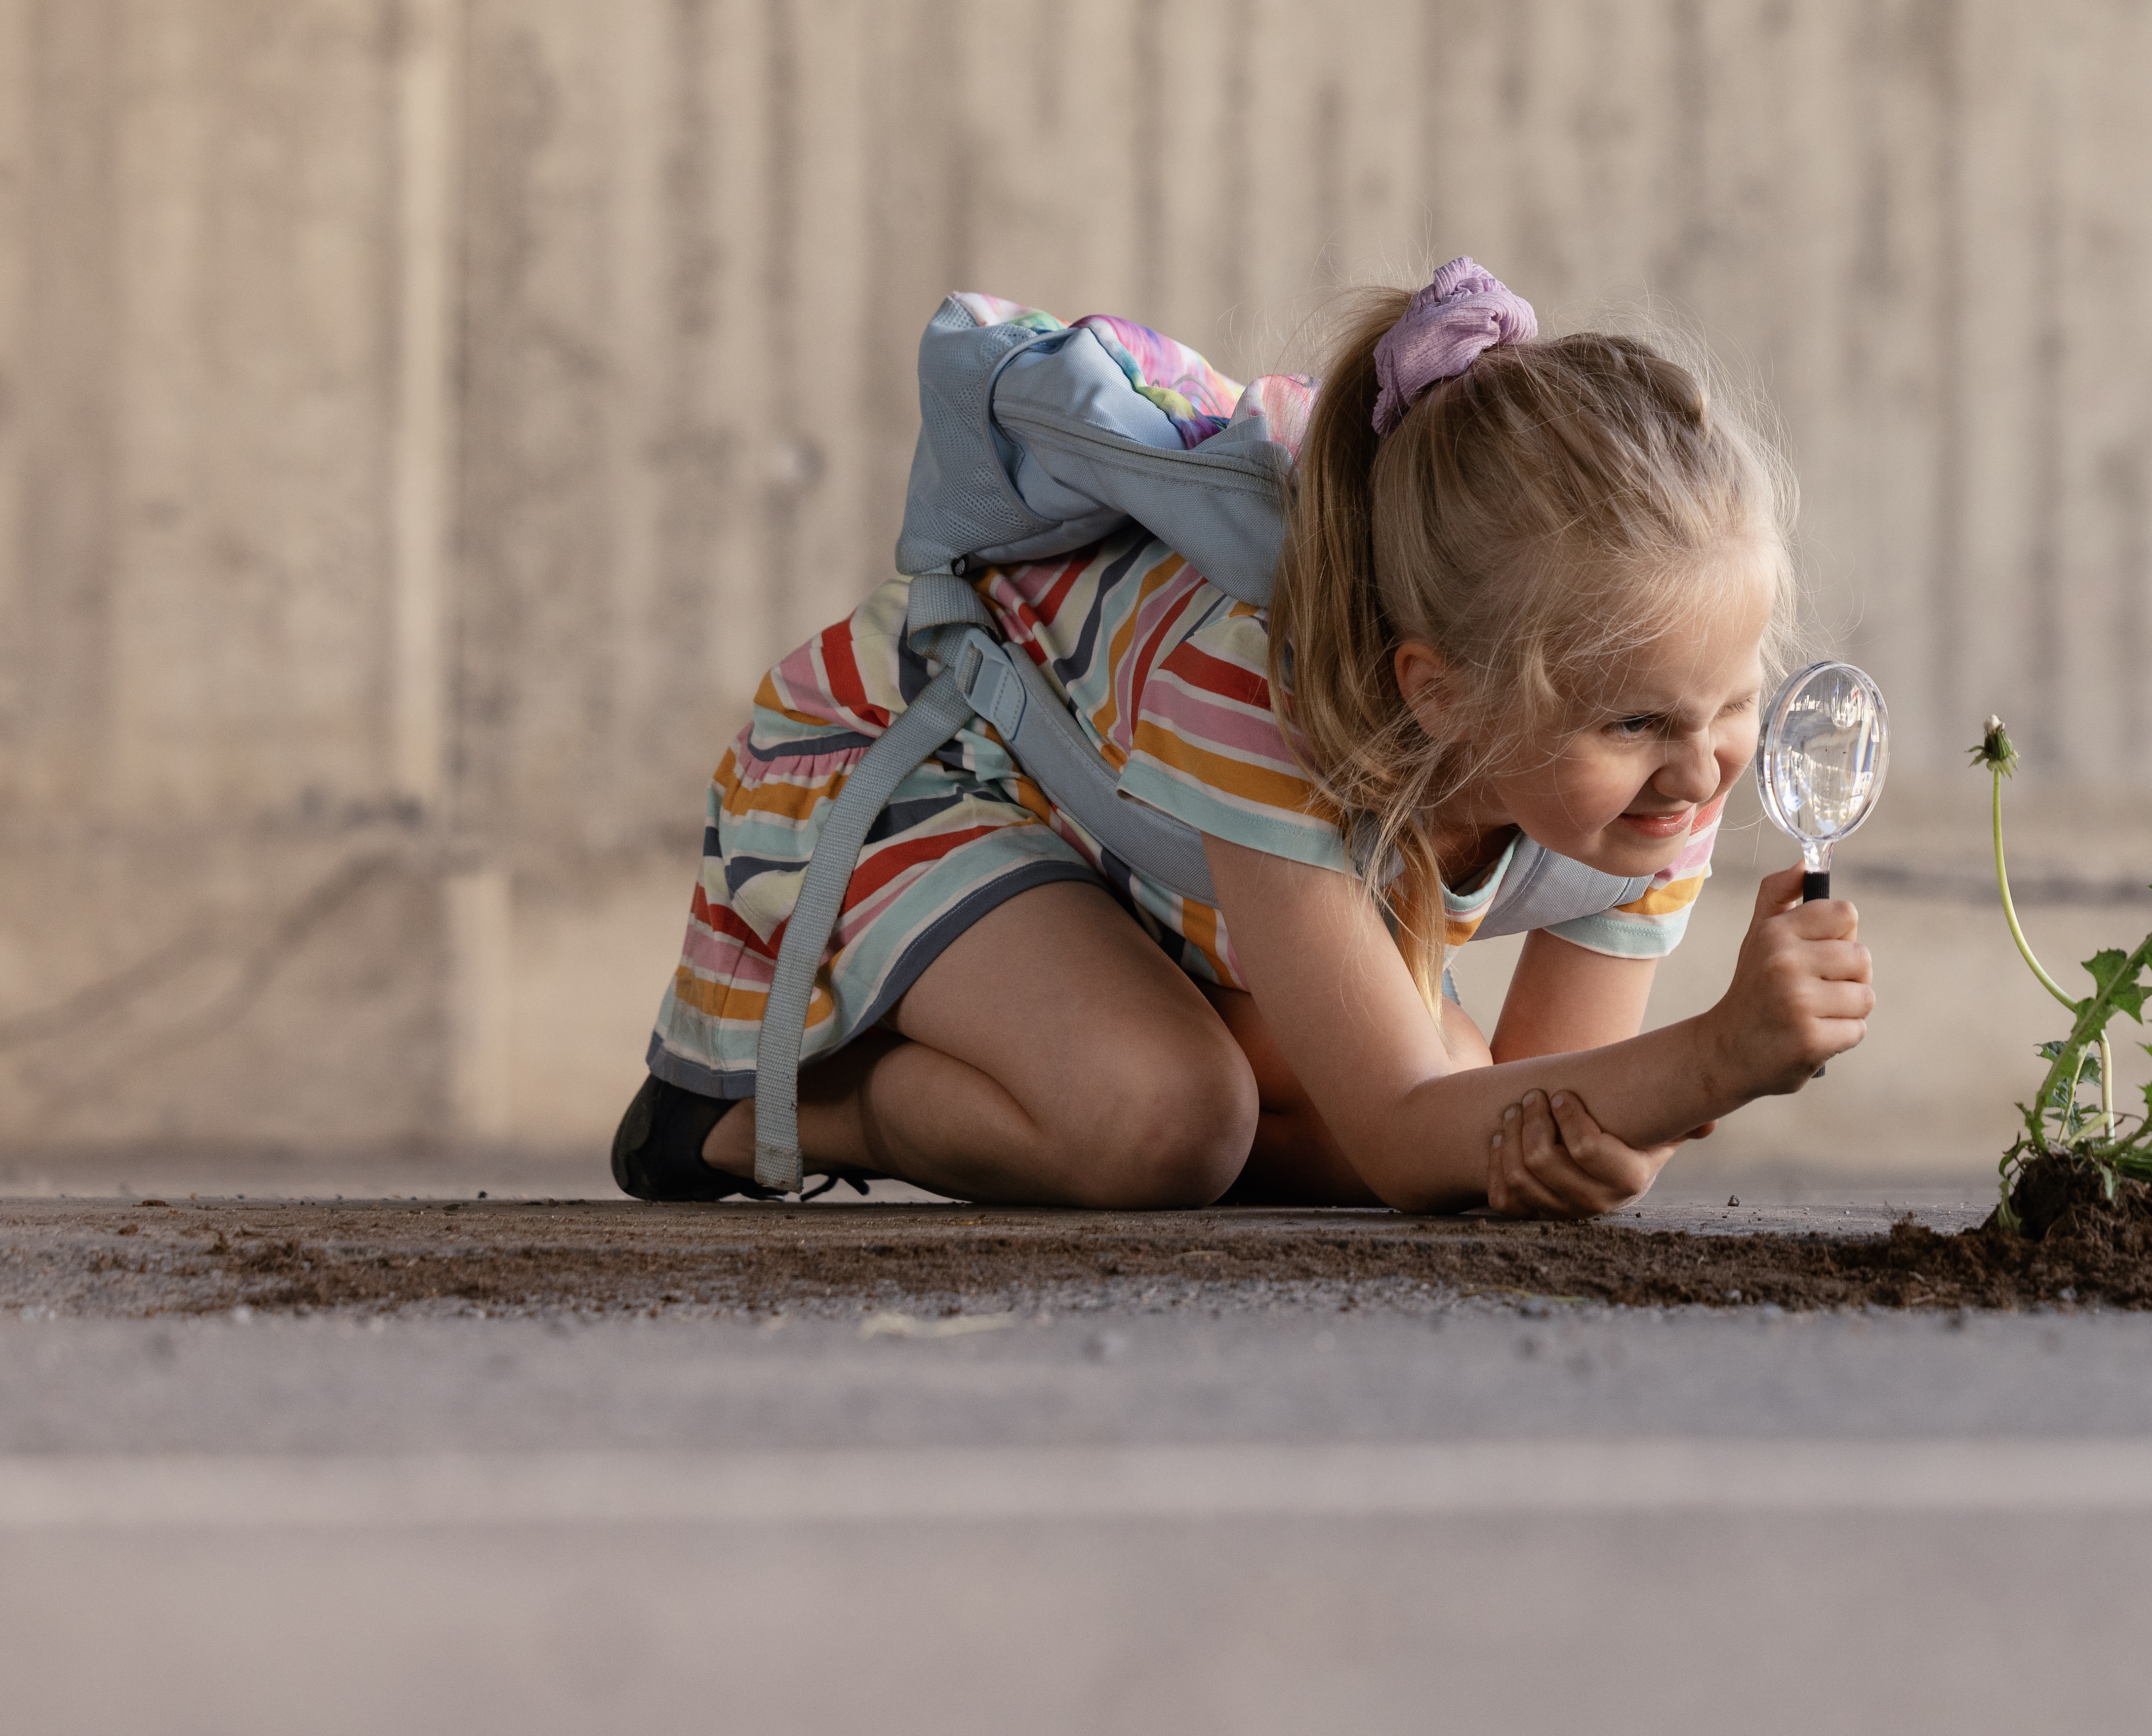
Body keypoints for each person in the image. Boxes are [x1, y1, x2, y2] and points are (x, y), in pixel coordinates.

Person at [607, 260, 1871, 1213]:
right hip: (926, 759)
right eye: (1639, 719)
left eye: (1735, 698)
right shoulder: (1273, 693)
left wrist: (1598, 1140)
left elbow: (1539, 1118)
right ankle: (762, 1109)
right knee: (1163, 1122)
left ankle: (1063, 1035)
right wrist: (1717, 1056)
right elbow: (1414, 1126)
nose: (1707, 765)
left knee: (1448, 1078)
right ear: (1438, 694)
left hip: (1141, 853)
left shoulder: (1672, 755)